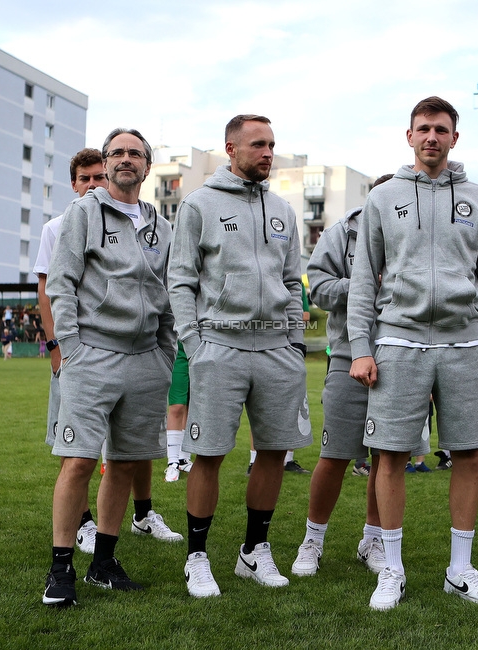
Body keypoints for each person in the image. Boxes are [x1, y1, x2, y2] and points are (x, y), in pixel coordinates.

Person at [346, 97, 478, 610]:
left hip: (466, 344)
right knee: (391, 456)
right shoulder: (383, 198)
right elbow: (362, 281)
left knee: (469, 455)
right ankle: (391, 570)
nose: (431, 138)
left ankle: (460, 570)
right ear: (409, 135)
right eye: (423, 129)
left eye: (441, 130)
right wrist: (361, 346)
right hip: (398, 341)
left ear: (454, 138)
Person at [168, 114, 310, 598]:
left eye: (272, 144)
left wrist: (294, 341)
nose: (268, 153)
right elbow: (181, 279)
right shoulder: (198, 204)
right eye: (258, 145)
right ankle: (197, 557)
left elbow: (294, 282)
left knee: (272, 452)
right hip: (219, 346)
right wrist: (195, 344)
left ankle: (254, 551)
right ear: (231, 148)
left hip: (277, 349)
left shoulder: (283, 210)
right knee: (208, 454)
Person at [42, 129, 179, 607]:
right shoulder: (82, 212)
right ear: (106, 161)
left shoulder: (162, 227)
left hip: (146, 360)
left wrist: (165, 353)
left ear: (147, 165)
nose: (126, 160)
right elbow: (60, 282)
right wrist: (73, 348)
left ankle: (103, 561)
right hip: (92, 355)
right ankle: (60, 570)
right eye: (117, 152)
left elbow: (169, 295)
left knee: (123, 465)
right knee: (79, 461)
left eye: (135, 154)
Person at [290, 174, 394, 579]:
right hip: (348, 358)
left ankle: (373, 540)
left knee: (388, 457)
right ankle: (312, 540)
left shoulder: (423, 228)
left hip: (404, 360)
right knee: (334, 456)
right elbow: (318, 290)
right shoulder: (341, 233)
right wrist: (369, 285)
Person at [164, 342, 194, 482]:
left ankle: (184, 459)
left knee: (191, 406)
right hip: (178, 349)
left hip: (198, 349)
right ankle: (172, 462)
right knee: (176, 407)